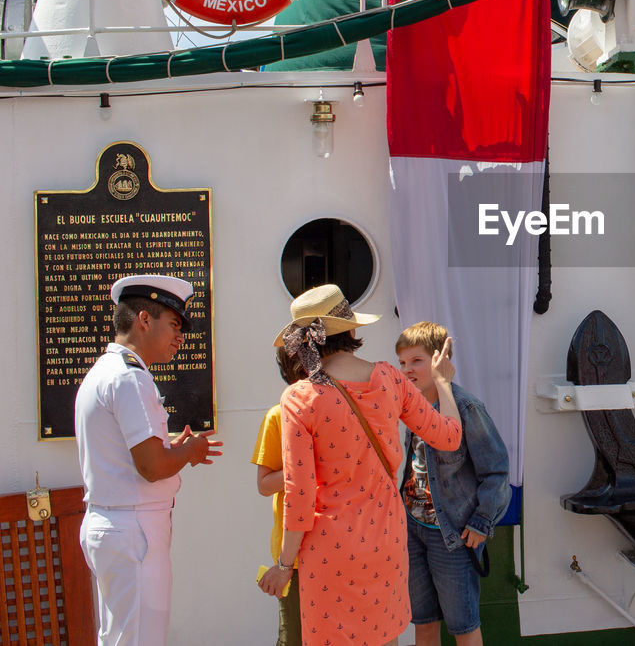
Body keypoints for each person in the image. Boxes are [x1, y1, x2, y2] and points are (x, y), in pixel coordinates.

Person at [256, 285, 461, 646]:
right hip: (386, 541)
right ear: (350, 331)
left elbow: (300, 497)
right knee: (383, 638)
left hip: (330, 551)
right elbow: (449, 437)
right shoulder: (389, 378)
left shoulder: (299, 398)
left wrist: (284, 566)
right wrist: (443, 383)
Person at [74, 274, 223, 646]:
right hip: (133, 529)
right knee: (140, 639)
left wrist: (170, 448)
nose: (180, 337)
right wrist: (189, 452)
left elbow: (138, 455)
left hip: (118, 525)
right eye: (174, 324)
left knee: (122, 637)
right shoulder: (129, 378)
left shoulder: (106, 372)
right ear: (144, 319)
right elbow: (153, 466)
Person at [396, 322, 511, 646]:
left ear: (439, 359)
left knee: (463, 626)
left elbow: (497, 470)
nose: (407, 370)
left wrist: (482, 521)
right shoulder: (412, 407)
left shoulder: (466, 407)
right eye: (402, 363)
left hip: (452, 535)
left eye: (416, 361)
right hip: (413, 531)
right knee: (424, 622)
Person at [251, 348, 307, 646]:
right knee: (294, 638)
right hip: (294, 558)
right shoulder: (277, 415)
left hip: (336, 551)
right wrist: (302, 466)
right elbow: (264, 483)